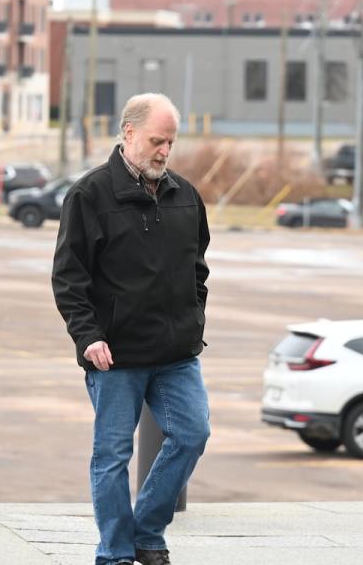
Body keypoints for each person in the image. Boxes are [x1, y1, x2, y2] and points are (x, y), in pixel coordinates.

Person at [52, 93, 211, 565]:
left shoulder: (186, 196)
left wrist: (193, 317)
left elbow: (197, 269)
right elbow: (68, 277)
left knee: (192, 434)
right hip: (114, 355)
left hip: (176, 353)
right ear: (128, 133)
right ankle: (117, 553)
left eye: (170, 142)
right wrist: (88, 336)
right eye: (156, 141)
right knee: (112, 458)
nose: (164, 151)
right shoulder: (89, 195)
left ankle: (147, 532)